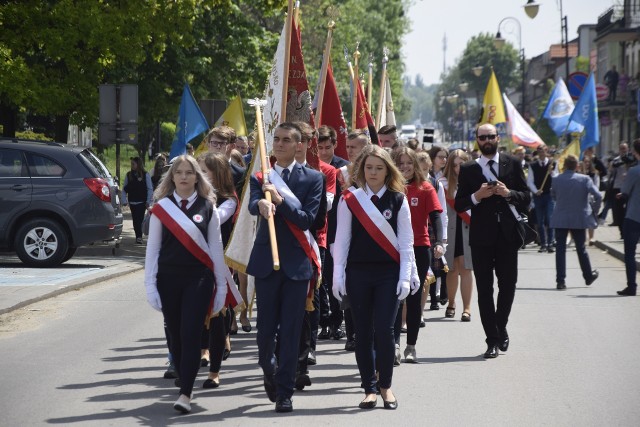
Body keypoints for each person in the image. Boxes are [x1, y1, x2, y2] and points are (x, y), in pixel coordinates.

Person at [246, 123, 323, 413]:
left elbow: (307, 220)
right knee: (265, 331)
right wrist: (262, 206)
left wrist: (280, 201)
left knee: (290, 331)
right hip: (267, 262)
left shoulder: (313, 179)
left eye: (286, 140)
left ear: (299, 145)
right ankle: (269, 368)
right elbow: (254, 203)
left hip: (297, 265)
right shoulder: (262, 176)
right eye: (275, 139)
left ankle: (285, 392)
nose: (279, 144)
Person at [144, 155, 229, 413]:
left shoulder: (208, 207)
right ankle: (184, 375)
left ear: (196, 177)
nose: (183, 177)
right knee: (176, 337)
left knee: (191, 333)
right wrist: (150, 285)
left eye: (189, 172)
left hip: (198, 279)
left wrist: (221, 287)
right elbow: (153, 249)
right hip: (168, 279)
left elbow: (215, 249)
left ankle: (186, 393)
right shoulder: (161, 208)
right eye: (178, 172)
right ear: (172, 177)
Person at [332, 145, 415, 410]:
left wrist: (406, 276)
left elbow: (406, 243)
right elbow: (342, 240)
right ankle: (368, 387)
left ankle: (386, 386)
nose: (373, 173)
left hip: (388, 274)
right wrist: (337, 275)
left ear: (388, 170)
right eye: (369, 167)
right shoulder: (349, 199)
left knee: (385, 330)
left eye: (379, 168)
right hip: (358, 273)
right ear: (361, 169)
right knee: (363, 332)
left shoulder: (398, 200)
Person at [455, 123, 530, 359]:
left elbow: (527, 198)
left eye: (490, 136)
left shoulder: (513, 163)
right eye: (482, 137)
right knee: (485, 289)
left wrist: (508, 193)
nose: (487, 140)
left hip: (508, 236)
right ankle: (492, 339)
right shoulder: (469, 169)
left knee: (508, 285)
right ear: (477, 140)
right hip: (481, 238)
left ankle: (501, 326)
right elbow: (460, 203)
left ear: (498, 138)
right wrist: (478, 196)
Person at [394, 147, 443, 362]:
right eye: (400, 163)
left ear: (415, 165)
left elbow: (436, 218)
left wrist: (440, 242)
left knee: (413, 300)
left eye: (408, 163)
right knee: (395, 299)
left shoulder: (425, 188)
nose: (405, 167)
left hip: (419, 249)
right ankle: (394, 344)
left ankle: (411, 346)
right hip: (392, 249)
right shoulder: (389, 188)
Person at [197, 152, 239, 389]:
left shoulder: (228, 199)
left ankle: (214, 370)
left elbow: (215, 219)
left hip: (218, 264)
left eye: (204, 171)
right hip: (192, 264)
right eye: (198, 171)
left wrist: (204, 201)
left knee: (216, 316)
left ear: (218, 174)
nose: (198, 176)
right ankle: (197, 354)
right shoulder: (187, 196)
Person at [550, 155, 601, 290]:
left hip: (561, 217)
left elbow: (553, 196)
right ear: (577, 166)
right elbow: (598, 195)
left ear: (565, 165)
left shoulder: (556, 179)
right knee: (581, 248)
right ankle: (588, 276)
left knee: (560, 250)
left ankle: (560, 281)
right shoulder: (584, 179)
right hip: (579, 217)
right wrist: (593, 211)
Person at [441, 149, 474, 322]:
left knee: (466, 267)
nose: (458, 168)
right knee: (452, 269)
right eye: (454, 165)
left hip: (468, 229)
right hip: (450, 230)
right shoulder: (442, 183)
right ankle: (451, 303)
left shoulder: (475, 181)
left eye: (461, 164)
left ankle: (467, 308)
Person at [617, 139, 640, 296]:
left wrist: (620, 195)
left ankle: (631, 286)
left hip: (634, 216)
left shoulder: (634, 171)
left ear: (635, 152)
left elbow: (624, 193)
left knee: (630, 253)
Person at [528, 145, 557, 253]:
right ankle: (543, 244)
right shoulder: (533, 165)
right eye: (539, 151)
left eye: (543, 151)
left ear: (547, 151)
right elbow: (530, 181)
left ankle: (550, 243)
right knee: (540, 221)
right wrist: (536, 191)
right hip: (538, 196)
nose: (541, 153)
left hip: (549, 195)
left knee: (549, 220)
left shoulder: (552, 163)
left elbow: (556, 178)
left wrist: (551, 172)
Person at [122, 156, 153, 244]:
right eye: (131, 164)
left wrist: (148, 201)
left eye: (133, 164)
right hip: (132, 201)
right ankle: (137, 235)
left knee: (140, 219)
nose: (132, 165)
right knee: (135, 220)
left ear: (138, 164)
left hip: (141, 202)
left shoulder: (145, 174)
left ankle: (139, 236)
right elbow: (125, 188)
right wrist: (124, 201)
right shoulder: (129, 175)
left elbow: (150, 189)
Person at [609, 142, 632, 238]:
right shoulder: (616, 160)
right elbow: (613, 167)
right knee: (618, 211)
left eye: (625, 148)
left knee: (628, 209)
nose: (623, 150)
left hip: (629, 187)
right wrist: (623, 161)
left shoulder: (632, 159)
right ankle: (622, 232)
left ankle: (629, 231)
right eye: (621, 148)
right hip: (617, 187)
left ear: (628, 149)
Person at [580, 157, 601, 245]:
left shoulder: (594, 173)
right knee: (582, 220)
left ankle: (591, 238)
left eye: (588, 162)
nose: (587, 163)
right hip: (581, 199)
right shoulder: (579, 174)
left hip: (591, 199)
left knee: (591, 219)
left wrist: (593, 194)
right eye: (585, 162)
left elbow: (596, 186)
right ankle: (583, 239)